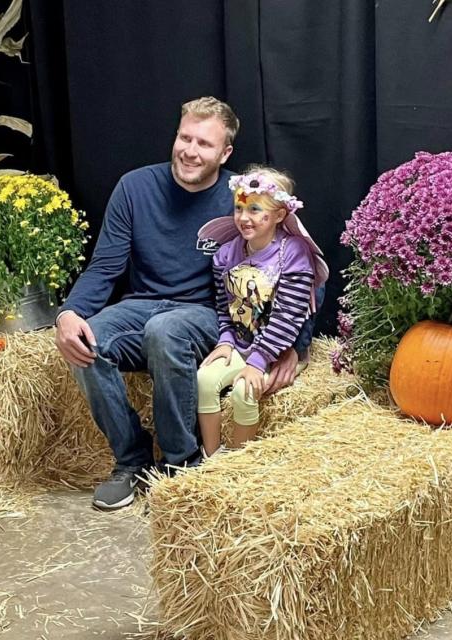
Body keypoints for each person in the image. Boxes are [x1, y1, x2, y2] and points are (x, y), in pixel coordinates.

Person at [54, 97, 317, 511]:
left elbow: (290, 264)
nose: (191, 151)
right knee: (89, 339)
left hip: (208, 314)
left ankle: (181, 463)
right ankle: (131, 461)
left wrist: (295, 346)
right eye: (185, 138)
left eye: (205, 144)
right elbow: (105, 266)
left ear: (225, 152)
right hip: (142, 304)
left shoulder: (242, 200)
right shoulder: (134, 187)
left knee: (167, 330)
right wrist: (69, 313)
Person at [195, 166, 329, 457]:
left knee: (245, 390)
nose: (244, 218)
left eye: (255, 209)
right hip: (242, 343)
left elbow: (288, 316)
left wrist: (257, 361)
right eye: (239, 208)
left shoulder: (293, 253)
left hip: (275, 348)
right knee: (204, 379)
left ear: (280, 214)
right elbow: (224, 307)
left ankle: (238, 461)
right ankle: (212, 458)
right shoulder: (226, 254)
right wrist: (226, 342)